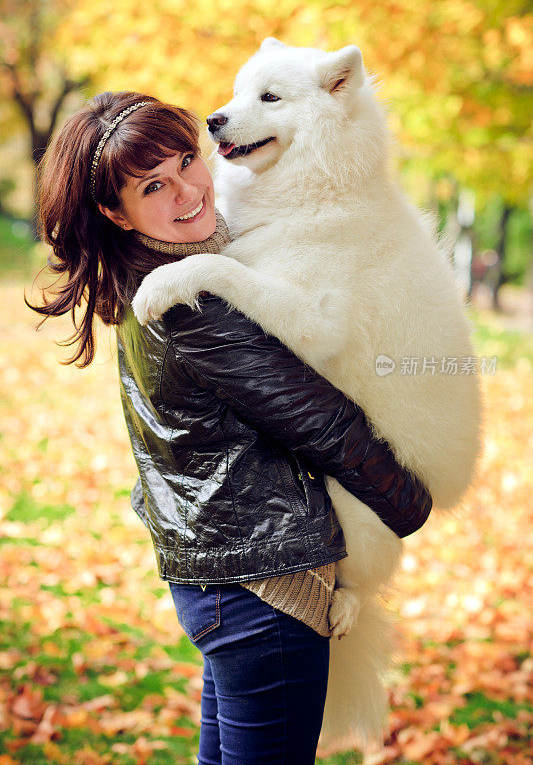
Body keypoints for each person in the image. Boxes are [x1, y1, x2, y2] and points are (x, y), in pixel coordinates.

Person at [29, 91, 432, 765]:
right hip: (260, 594)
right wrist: (408, 504)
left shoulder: (157, 276)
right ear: (112, 211)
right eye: (153, 185)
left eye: (188, 159)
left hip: (222, 581)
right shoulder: (194, 305)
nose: (188, 189)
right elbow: (321, 421)